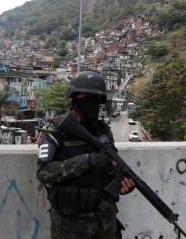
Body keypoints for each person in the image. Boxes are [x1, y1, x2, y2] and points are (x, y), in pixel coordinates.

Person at [36, 71, 135, 239]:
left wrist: (123, 184)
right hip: (70, 228)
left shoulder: (104, 132)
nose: (92, 101)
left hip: (105, 224)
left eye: (96, 97)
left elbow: (111, 169)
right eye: (87, 96)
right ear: (75, 98)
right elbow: (44, 172)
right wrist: (87, 161)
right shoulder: (57, 131)